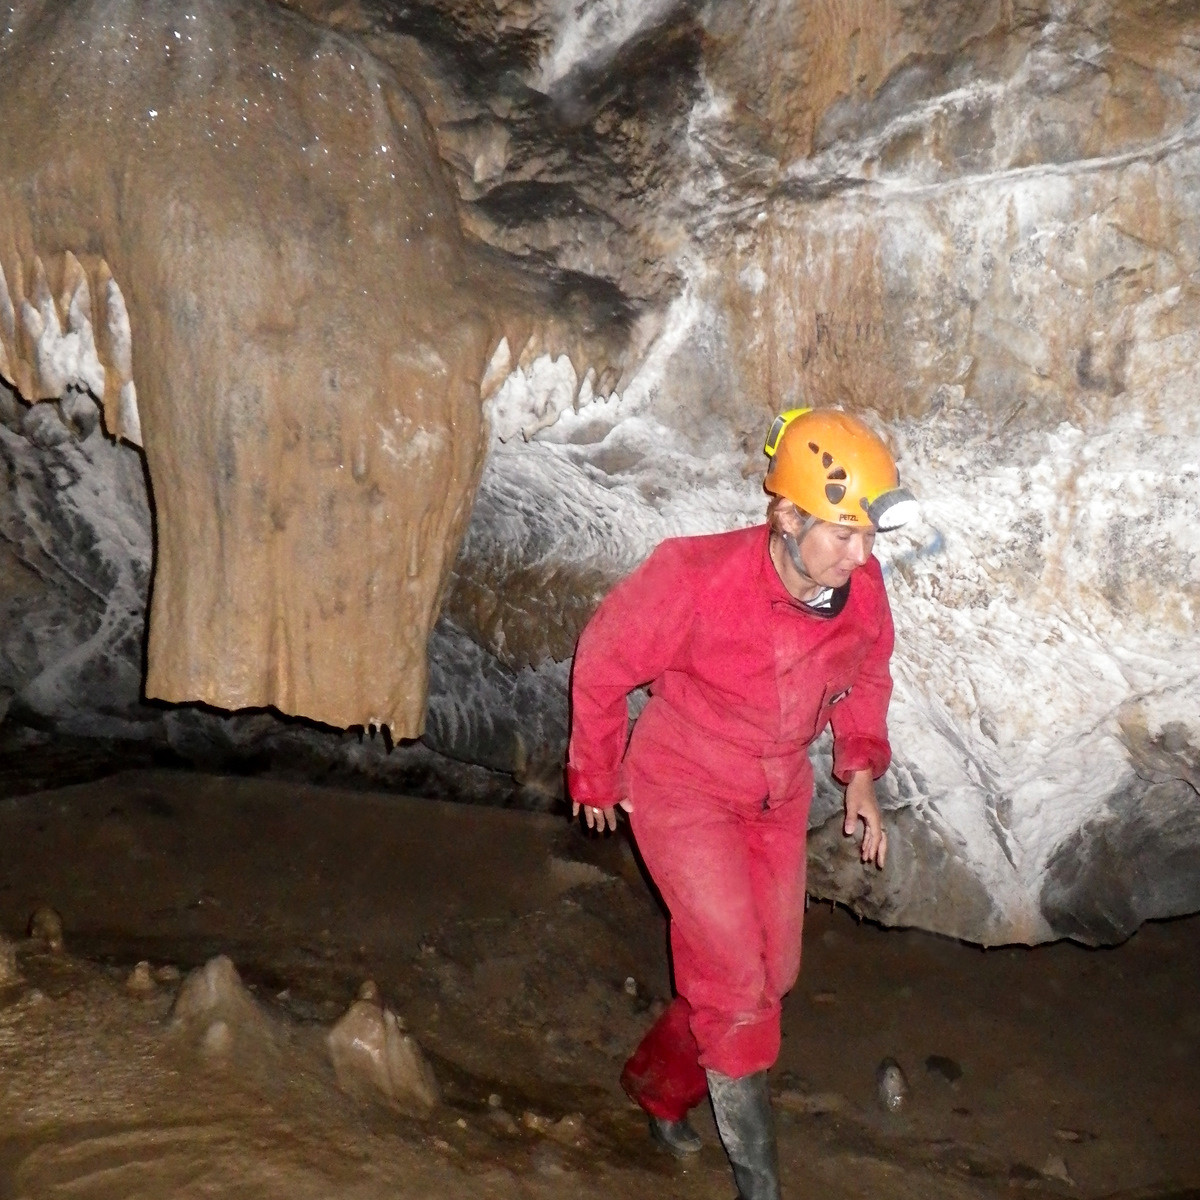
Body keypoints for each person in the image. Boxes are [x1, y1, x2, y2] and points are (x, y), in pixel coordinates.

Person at [566, 408, 916, 1200]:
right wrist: (594, 772)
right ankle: (761, 1188)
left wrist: (859, 768)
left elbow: (868, 675)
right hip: (682, 782)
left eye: (867, 537)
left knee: (772, 975)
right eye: (841, 533)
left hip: (776, 789)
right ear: (786, 515)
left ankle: (658, 1085)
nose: (861, 556)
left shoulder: (859, 590)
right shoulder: (695, 577)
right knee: (733, 985)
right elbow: (603, 660)